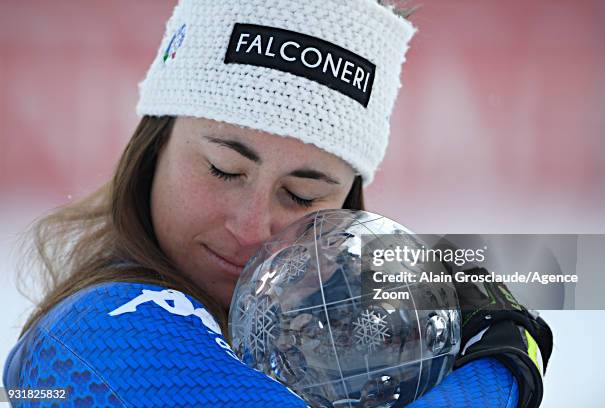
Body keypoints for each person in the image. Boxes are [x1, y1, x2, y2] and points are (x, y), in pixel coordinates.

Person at [2, 0, 552, 407]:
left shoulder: (324, 343)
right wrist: (503, 361)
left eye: (301, 194)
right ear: (155, 143)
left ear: (348, 204)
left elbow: (576, 269)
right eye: (224, 169)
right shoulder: (99, 333)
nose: (250, 226)